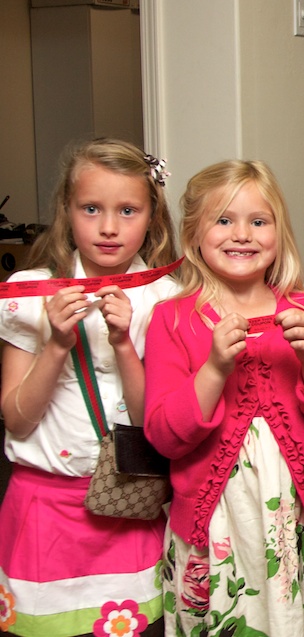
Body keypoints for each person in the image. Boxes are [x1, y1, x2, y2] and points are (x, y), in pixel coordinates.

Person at [144, 160, 304, 636]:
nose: (242, 234)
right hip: (213, 527)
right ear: (193, 233)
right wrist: (214, 370)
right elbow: (164, 436)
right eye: (224, 220)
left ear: (279, 233)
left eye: (258, 221)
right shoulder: (171, 319)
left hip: (290, 523)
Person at [0, 138, 178, 636]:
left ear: (152, 216)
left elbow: (156, 426)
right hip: (43, 512)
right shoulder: (29, 293)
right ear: (66, 210)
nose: (108, 227)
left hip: (131, 505)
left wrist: (123, 344)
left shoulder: (169, 298)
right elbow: (17, 420)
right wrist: (57, 344)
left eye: (128, 210)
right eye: (91, 208)